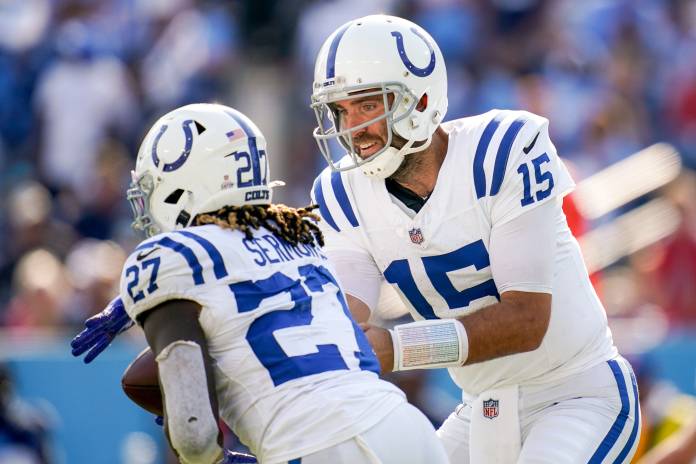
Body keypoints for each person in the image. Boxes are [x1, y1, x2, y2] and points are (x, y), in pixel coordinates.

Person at [308, 14, 640, 463]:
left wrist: (397, 348)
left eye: (367, 106)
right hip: (482, 409)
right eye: (341, 110)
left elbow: (527, 319)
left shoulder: (502, 150)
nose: (353, 129)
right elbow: (346, 321)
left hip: (576, 393)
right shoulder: (341, 193)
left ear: (420, 98)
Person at [75, 103, 448, 464]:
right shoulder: (300, 236)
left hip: (316, 443)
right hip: (406, 427)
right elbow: (237, 268)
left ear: (182, 187)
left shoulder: (165, 259)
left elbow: (195, 436)